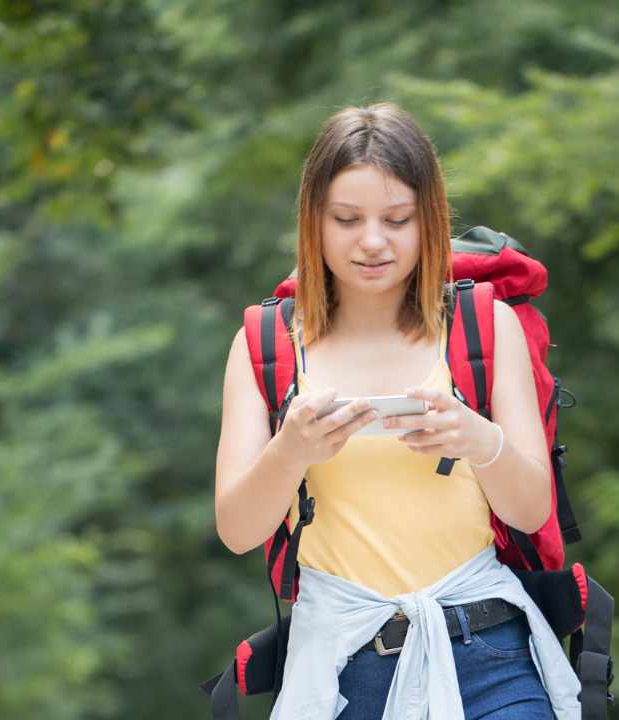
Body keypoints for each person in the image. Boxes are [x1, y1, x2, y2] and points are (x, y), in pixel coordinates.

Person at [214, 102, 581, 720]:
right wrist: (292, 449)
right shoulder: (266, 344)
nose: (373, 241)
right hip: (340, 667)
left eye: (397, 219)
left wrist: (476, 437)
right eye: (348, 219)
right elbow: (238, 529)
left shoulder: (482, 324)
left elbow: (530, 507)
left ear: (429, 220)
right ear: (314, 222)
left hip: (488, 652)